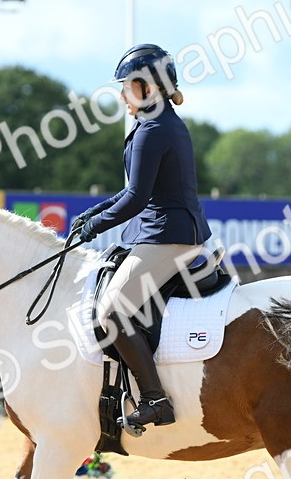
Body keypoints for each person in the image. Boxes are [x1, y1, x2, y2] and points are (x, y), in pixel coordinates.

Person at [71, 44, 212, 429]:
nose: (121, 95)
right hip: (160, 230)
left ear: (148, 88)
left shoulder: (154, 129)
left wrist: (94, 228)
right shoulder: (156, 124)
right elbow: (132, 188)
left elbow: (136, 199)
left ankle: (156, 400)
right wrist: (90, 214)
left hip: (170, 235)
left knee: (112, 310)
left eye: (127, 87)